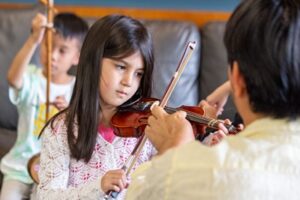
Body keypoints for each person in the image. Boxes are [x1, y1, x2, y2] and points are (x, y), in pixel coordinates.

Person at [126, 0, 300, 199]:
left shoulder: (202, 173)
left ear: (237, 78)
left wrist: (172, 151)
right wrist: (231, 85)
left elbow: (138, 193)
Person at [36, 14, 156, 200]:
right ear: (93, 61)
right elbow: (47, 196)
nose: (128, 82)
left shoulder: (149, 129)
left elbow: (174, 178)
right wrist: (98, 187)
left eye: (139, 74)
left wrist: (207, 143)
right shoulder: (61, 129)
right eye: (121, 67)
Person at [0, 13, 88, 200]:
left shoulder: (77, 89)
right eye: (48, 46)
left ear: (77, 57)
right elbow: (13, 79)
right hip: (20, 166)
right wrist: (33, 39)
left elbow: (83, 132)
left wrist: (70, 113)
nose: (53, 56)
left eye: (62, 50)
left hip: (55, 170)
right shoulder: (31, 78)